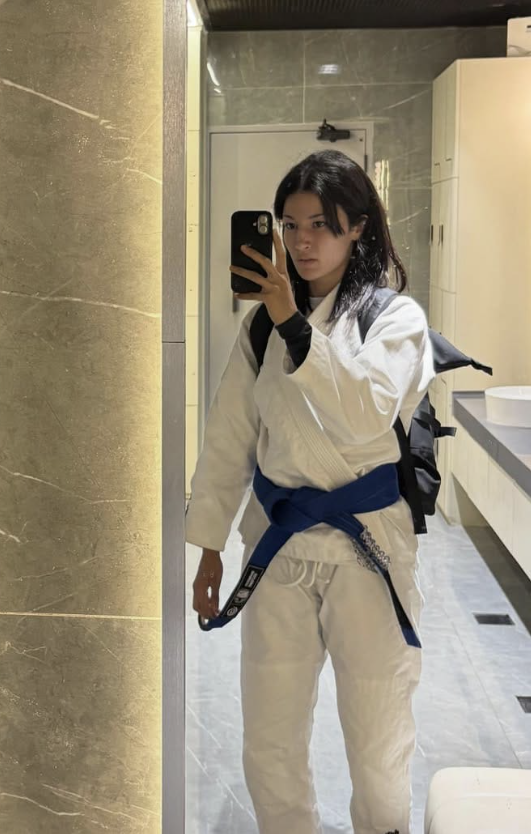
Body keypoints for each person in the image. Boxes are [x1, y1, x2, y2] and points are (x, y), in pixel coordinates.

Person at [185, 149, 435, 834]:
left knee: (378, 736)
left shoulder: (395, 320)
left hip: (368, 553)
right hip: (280, 548)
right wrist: (208, 548)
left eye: (320, 224)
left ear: (357, 227)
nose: (301, 242)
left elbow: (363, 411)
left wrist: (297, 324)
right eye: (290, 225)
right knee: (269, 736)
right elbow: (230, 435)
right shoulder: (259, 326)